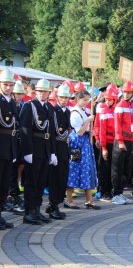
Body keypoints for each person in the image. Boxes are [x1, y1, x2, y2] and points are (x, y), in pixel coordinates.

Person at [21, 78, 57, 225]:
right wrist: (27, 151)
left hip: (46, 148)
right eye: (41, 91)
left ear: (49, 92)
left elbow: (52, 132)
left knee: (41, 181)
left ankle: (37, 209)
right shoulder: (30, 106)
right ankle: (29, 211)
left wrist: (53, 152)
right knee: (31, 181)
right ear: (36, 92)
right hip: (34, 148)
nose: (43, 94)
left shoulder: (49, 107)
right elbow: (25, 129)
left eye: (46, 91)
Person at [65, 89, 100, 210]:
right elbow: (79, 131)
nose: (86, 102)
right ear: (78, 99)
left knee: (87, 170)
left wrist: (90, 131)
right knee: (74, 170)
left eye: (87, 100)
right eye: (84, 100)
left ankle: (89, 200)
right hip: (78, 144)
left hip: (85, 143)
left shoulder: (83, 111)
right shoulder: (74, 113)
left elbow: (84, 130)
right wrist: (88, 121)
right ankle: (69, 199)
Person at [46, 85, 71, 219]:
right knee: (55, 179)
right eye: (61, 97)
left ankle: (56, 204)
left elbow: (67, 131)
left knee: (62, 178)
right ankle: (53, 204)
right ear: (57, 98)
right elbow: (52, 133)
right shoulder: (53, 111)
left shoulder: (67, 112)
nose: (64, 100)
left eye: (66, 97)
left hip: (64, 147)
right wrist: (53, 152)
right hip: (55, 146)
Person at [111, 81, 133, 204]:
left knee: (127, 168)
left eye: (129, 93)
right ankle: (116, 194)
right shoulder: (119, 106)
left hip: (130, 140)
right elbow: (117, 126)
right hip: (120, 140)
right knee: (117, 167)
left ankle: (120, 193)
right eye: (125, 92)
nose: (126, 95)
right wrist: (120, 141)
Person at [0, 69, 18, 229]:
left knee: (4, 183)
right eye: (5, 84)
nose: (8, 87)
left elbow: (13, 126)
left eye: (11, 85)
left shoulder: (12, 102)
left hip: (9, 146)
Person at [95, 84, 118, 202]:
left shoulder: (117, 109)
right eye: (107, 99)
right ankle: (102, 191)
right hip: (105, 141)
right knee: (103, 167)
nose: (108, 101)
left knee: (112, 168)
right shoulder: (102, 108)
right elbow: (98, 126)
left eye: (111, 99)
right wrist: (99, 140)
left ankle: (110, 190)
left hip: (114, 142)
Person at [6, 80, 26, 215]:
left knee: (17, 168)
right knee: (9, 171)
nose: (18, 96)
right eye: (16, 94)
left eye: (20, 94)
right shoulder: (9, 104)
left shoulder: (23, 106)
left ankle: (13, 194)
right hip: (9, 141)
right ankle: (10, 194)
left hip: (19, 142)